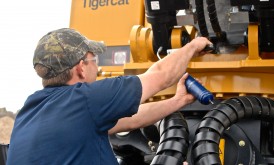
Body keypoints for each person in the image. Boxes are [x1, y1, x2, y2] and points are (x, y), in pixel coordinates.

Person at [7, 28, 211, 164]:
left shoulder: (31, 109)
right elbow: (161, 76)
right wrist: (193, 46)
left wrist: (178, 101)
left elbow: (130, 120)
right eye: (94, 59)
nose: (98, 66)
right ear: (81, 68)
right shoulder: (86, 99)